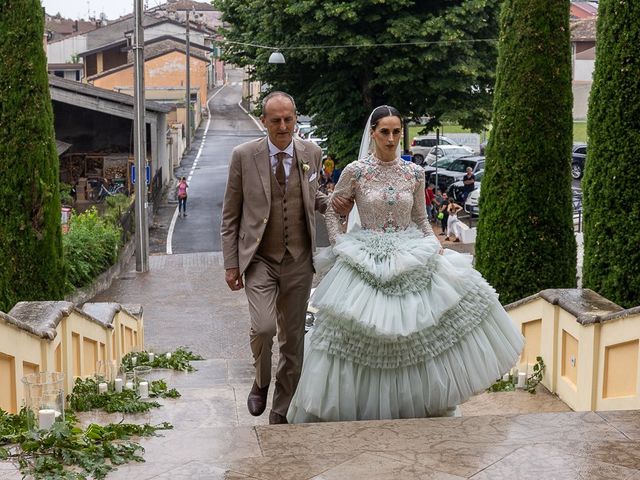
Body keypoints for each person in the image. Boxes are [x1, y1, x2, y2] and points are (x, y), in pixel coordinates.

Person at [287, 105, 523, 423]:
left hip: (410, 251)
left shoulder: (413, 172)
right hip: (364, 255)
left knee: (417, 332)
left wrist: (436, 248)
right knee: (360, 335)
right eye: (384, 131)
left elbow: (421, 219)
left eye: (397, 131)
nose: (391, 138)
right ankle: (361, 404)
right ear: (372, 133)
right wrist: (340, 244)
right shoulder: (355, 171)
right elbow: (333, 210)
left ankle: (419, 402)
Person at [221, 91, 351, 425]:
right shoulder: (243, 156)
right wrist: (231, 264)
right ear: (263, 121)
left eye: (288, 119)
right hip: (260, 259)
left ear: (295, 119)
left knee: (293, 340)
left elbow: (313, 194)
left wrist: (330, 203)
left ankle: (280, 410)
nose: (282, 126)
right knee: (263, 328)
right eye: (275, 120)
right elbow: (230, 215)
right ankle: (261, 382)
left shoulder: (312, 152)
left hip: (298, 259)